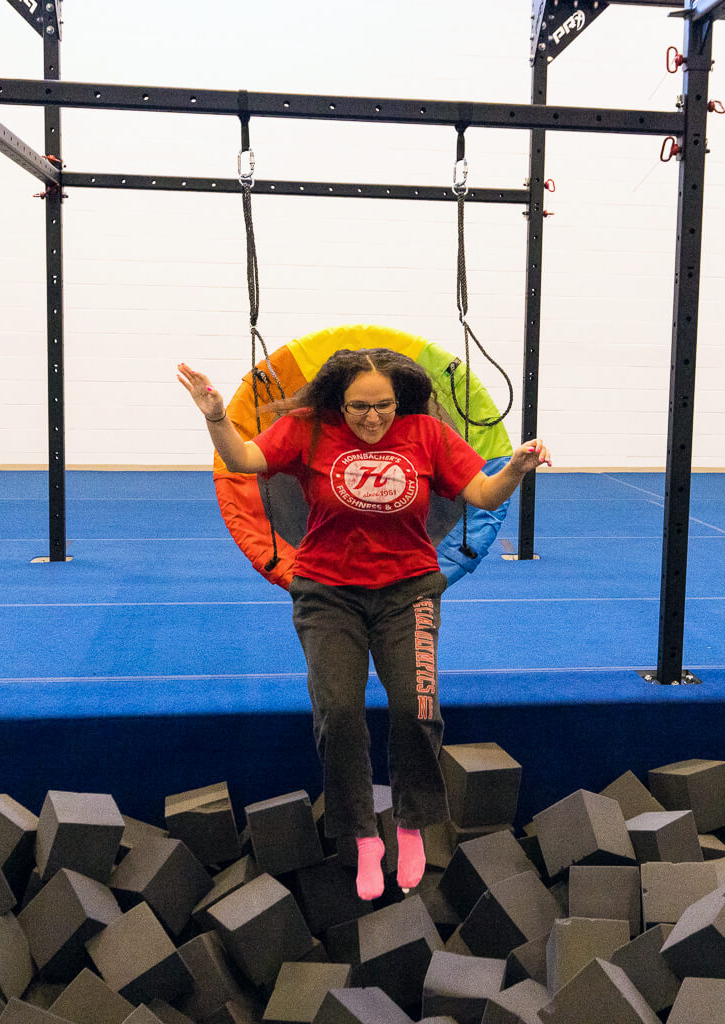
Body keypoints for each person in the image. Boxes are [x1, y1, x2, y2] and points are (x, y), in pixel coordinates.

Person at [177, 348, 550, 900]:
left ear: (398, 400)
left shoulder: (425, 433)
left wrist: (515, 468)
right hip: (328, 594)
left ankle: (410, 823)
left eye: (383, 406)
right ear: (338, 402)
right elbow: (243, 461)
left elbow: (481, 493)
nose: (373, 419)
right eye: (359, 408)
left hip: (409, 591)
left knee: (416, 710)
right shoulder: (307, 429)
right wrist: (214, 415)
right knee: (340, 712)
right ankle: (363, 837)